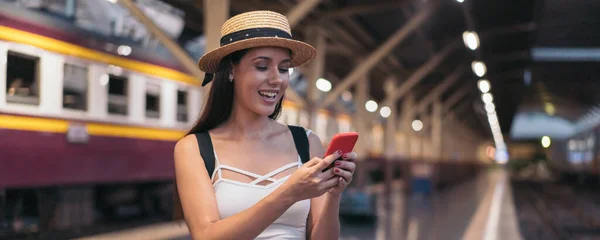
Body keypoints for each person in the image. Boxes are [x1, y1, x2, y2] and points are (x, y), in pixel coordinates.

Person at [173, 10, 358, 240]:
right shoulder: (194, 148)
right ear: (231, 70)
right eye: (262, 67)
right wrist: (289, 193)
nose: (277, 79)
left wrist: (333, 194)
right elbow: (206, 236)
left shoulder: (306, 142)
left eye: (283, 69)